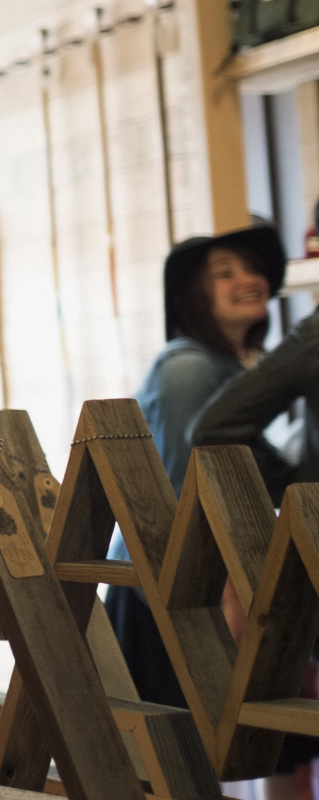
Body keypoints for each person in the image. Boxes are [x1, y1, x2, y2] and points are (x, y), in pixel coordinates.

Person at [115, 223, 290, 702]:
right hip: (178, 587)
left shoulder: (234, 369)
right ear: (195, 293)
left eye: (252, 269)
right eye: (225, 273)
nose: (248, 280)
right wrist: (226, 591)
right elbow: (183, 487)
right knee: (183, 762)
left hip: (210, 580)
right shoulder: (189, 368)